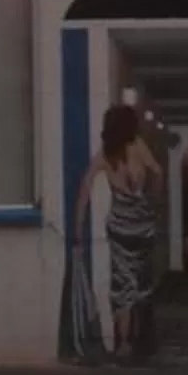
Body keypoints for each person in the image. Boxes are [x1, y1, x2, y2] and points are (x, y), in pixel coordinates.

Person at [80, 103, 164, 362]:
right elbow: (157, 171)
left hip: (119, 228)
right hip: (143, 226)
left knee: (122, 285)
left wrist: (77, 228)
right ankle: (143, 339)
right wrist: (153, 200)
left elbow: (85, 190)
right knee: (142, 282)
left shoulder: (104, 156)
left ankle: (123, 343)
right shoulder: (138, 146)